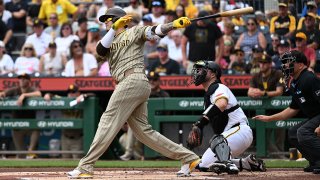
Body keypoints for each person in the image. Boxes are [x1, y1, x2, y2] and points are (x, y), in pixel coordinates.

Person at [67, 7, 200, 178]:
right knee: (144, 132)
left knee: (107, 120)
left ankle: (85, 166)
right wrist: (115, 28)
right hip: (132, 84)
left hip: (133, 79)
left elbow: (154, 32)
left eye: (108, 19)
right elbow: (99, 51)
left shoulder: (134, 31)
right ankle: (188, 157)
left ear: (117, 19)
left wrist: (172, 24)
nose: (106, 22)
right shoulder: (110, 40)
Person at [187, 60, 266, 174]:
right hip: (227, 138)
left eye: (202, 70)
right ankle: (247, 163)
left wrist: (200, 123)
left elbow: (222, 104)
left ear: (213, 74)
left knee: (216, 139)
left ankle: (228, 163)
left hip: (240, 131)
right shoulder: (209, 94)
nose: (198, 73)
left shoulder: (219, 87)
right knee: (204, 165)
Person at [253, 50, 320, 174]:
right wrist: (269, 118)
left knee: (303, 132)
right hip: (314, 116)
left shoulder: (309, 78)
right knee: (293, 133)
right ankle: (315, 161)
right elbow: (292, 109)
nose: (285, 66)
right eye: (284, 63)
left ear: (301, 65)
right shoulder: (294, 82)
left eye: (289, 63)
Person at [247, 54, 286, 158]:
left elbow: (279, 91)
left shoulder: (278, 74)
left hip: (278, 109)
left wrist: (263, 93)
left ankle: (281, 155)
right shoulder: (256, 76)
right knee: (264, 135)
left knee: (279, 134)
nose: (262, 65)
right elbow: (249, 91)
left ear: (269, 64)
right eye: (260, 63)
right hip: (264, 111)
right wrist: (254, 92)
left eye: (264, 63)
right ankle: (278, 156)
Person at [44, 84, 94, 159]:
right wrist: (48, 95)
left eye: (73, 92)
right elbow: (53, 95)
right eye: (69, 92)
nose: (70, 94)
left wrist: (84, 95)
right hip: (65, 137)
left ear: (78, 93)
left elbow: (93, 94)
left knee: (77, 162)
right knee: (65, 162)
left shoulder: (82, 101)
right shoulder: (64, 100)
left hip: (77, 138)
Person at [0, 73, 42, 159]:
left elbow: (39, 93)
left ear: (29, 81)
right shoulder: (15, 89)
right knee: (20, 154)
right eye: (20, 79)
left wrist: (24, 95)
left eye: (24, 79)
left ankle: (30, 152)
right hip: (17, 125)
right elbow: (4, 93)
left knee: (36, 129)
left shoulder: (31, 89)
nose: (22, 80)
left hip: (30, 124)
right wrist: (2, 94)